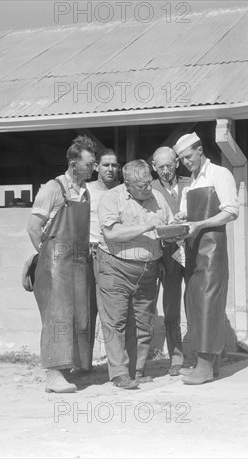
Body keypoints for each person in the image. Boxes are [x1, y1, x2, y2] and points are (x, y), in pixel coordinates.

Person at [26, 135, 96, 393]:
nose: (92, 168)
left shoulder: (85, 192)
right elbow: (33, 228)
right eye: (88, 164)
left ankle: (68, 370)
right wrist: (46, 257)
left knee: (78, 316)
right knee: (57, 318)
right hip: (55, 266)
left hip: (77, 262)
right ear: (73, 163)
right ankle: (53, 376)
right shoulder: (53, 188)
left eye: (93, 163)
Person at [96, 159, 173, 389]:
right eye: (142, 186)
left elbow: (166, 227)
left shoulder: (158, 197)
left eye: (149, 182)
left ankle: (137, 371)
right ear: (127, 184)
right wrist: (147, 226)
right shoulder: (111, 199)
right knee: (116, 322)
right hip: (115, 267)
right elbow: (112, 234)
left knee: (144, 320)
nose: (148, 188)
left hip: (148, 269)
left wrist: (175, 227)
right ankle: (119, 373)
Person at [173, 132, 239, 385]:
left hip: (212, 252)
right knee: (196, 305)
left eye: (189, 156)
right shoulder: (190, 183)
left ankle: (204, 367)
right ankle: (212, 367)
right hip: (193, 251)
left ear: (200, 150)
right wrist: (181, 218)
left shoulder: (219, 174)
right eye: (182, 159)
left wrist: (200, 224)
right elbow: (186, 215)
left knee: (209, 306)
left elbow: (231, 212)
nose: (186, 162)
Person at [150, 146, 190, 376]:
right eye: (160, 167)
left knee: (194, 304)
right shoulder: (151, 189)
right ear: (154, 168)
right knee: (171, 307)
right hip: (167, 254)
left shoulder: (190, 183)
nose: (165, 170)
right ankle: (176, 357)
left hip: (192, 251)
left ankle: (198, 352)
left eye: (169, 165)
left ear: (176, 163)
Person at [85, 148, 121, 366]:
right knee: (87, 310)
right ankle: (84, 363)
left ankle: (112, 361)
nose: (111, 169)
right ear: (96, 166)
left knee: (112, 311)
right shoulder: (85, 190)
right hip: (88, 253)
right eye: (106, 165)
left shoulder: (121, 191)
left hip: (112, 255)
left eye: (114, 165)